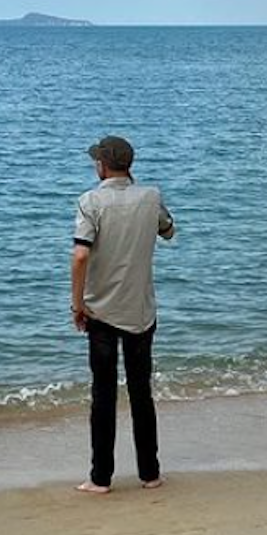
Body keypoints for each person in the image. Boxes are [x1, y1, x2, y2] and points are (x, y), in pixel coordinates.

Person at [71, 136, 175, 494]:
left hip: (101, 309)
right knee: (140, 392)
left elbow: (81, 255)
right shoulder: (151, 197)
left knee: (103, 394)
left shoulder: (90, 201)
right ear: (129, 165)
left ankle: (101, 477)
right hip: (141, 309)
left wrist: (77, 304)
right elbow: (169, 230)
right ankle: (150, 473)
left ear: (102, 165)